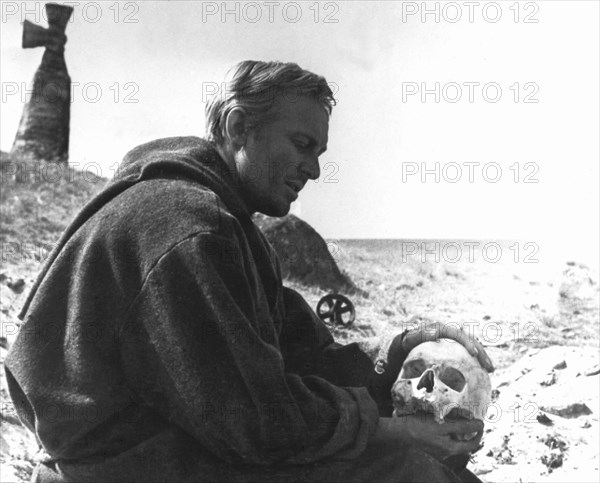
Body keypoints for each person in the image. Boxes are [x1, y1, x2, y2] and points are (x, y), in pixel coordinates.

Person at [5, 60, 494, 483]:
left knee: (396, 437)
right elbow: (255, 421)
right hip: (120, 466)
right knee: (406, 468)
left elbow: (299, 355)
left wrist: (400, 347)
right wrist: (394, 433)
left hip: (170, 445)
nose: (314, 170)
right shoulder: (185, 227)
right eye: (302, 144)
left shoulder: (225, 225)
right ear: (239, 127)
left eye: (319, 153)